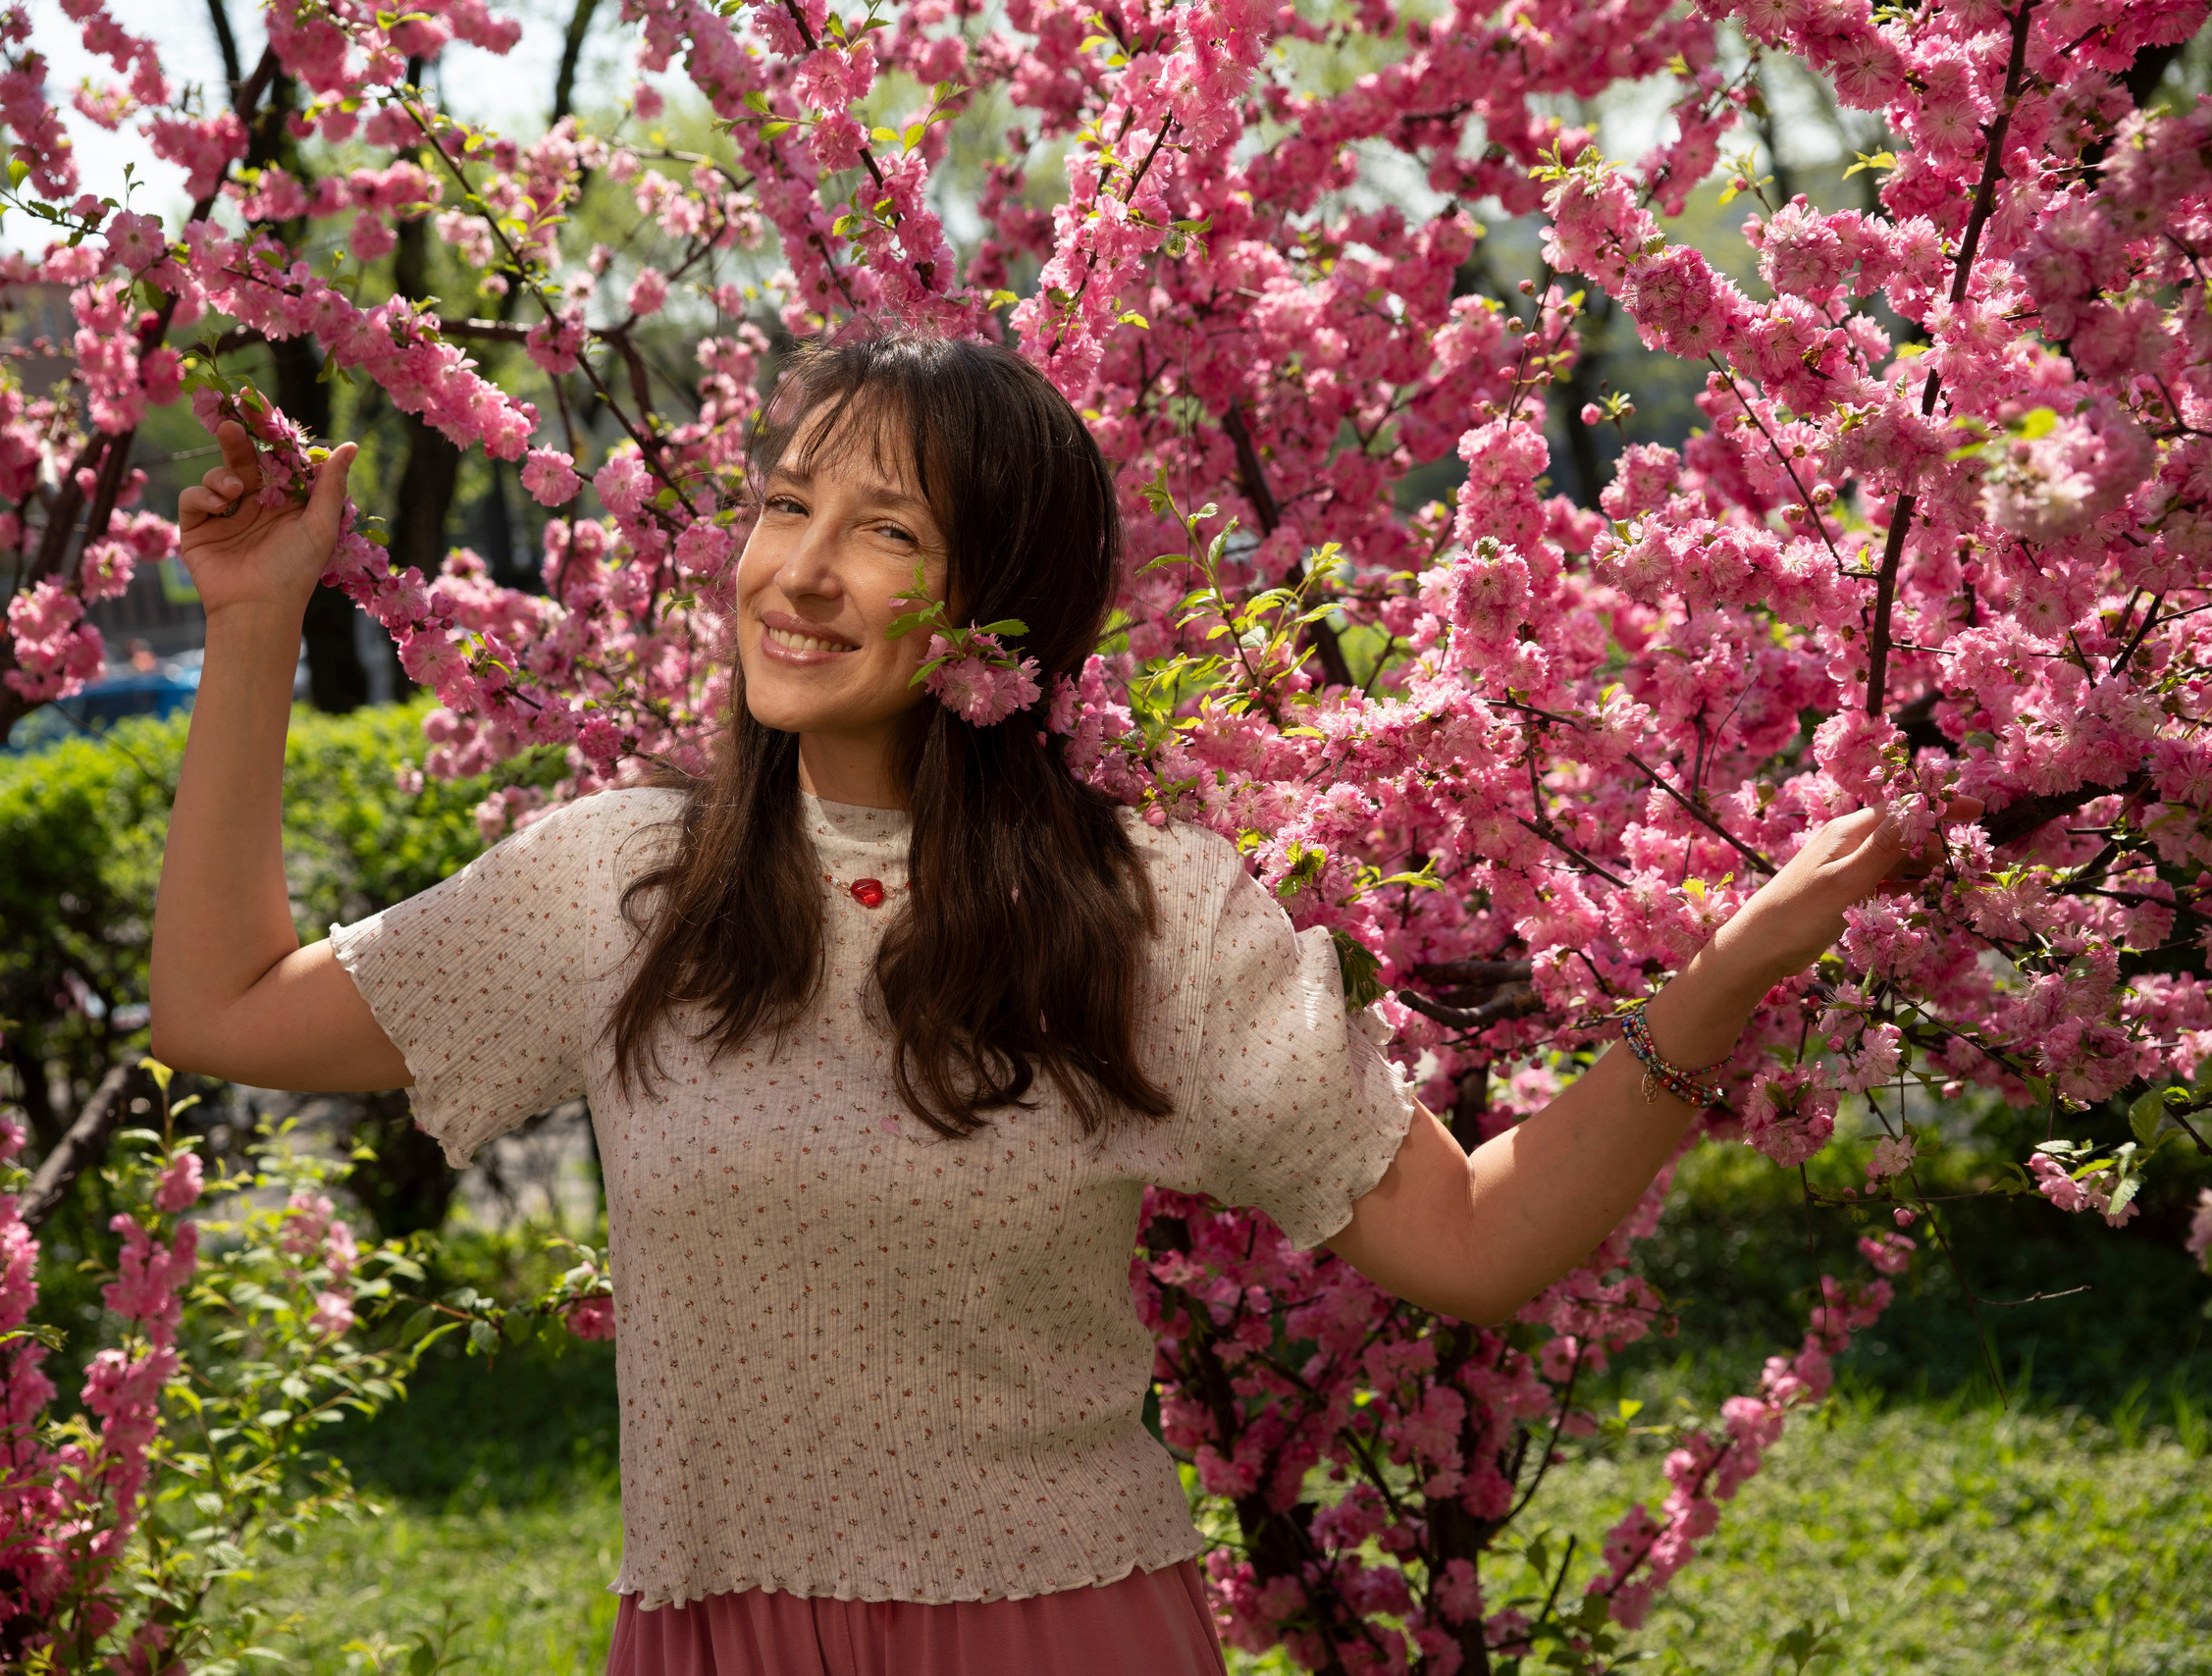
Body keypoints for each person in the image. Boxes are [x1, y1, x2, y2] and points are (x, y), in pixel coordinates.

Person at [150, 334, 1954, 1675]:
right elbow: (222, 1014)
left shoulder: (1145, 919)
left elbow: (1471, 1244)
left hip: (1058, 1633)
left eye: (883, 531)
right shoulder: (627, 891)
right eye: (786, 505)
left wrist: (1726, 975)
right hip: (712, 1634)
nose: (800, 569)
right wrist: (255, 622)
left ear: (1001, 612)